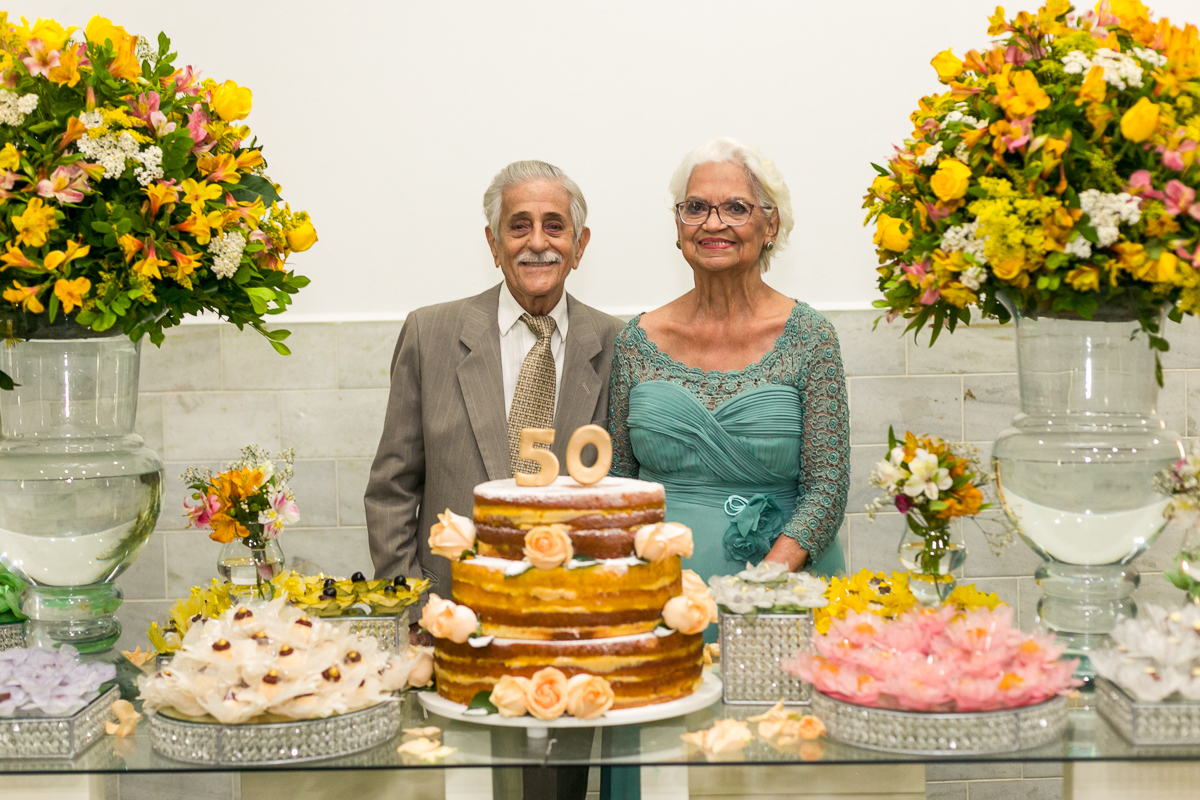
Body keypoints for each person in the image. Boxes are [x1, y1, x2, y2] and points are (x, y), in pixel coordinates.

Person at [366, 159, 623, 618]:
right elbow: (392, 490)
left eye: (554, 226)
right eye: (519, 226)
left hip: (579, 612)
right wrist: (415, 612)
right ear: (493, 242)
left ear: (579, 245)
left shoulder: (618, 344)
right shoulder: (430, 334)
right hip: (452, 610)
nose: (537, 243)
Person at [608, 138, 848, 586]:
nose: (712, 223)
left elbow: (827, 488)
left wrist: (761, 584)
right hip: (660, 591)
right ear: (678, 226)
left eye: (736, 208)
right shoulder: (637, 341)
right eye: (695, 207)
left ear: (770, 225)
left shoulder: (810, 336)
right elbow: (618, 482)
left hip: (785, 594)